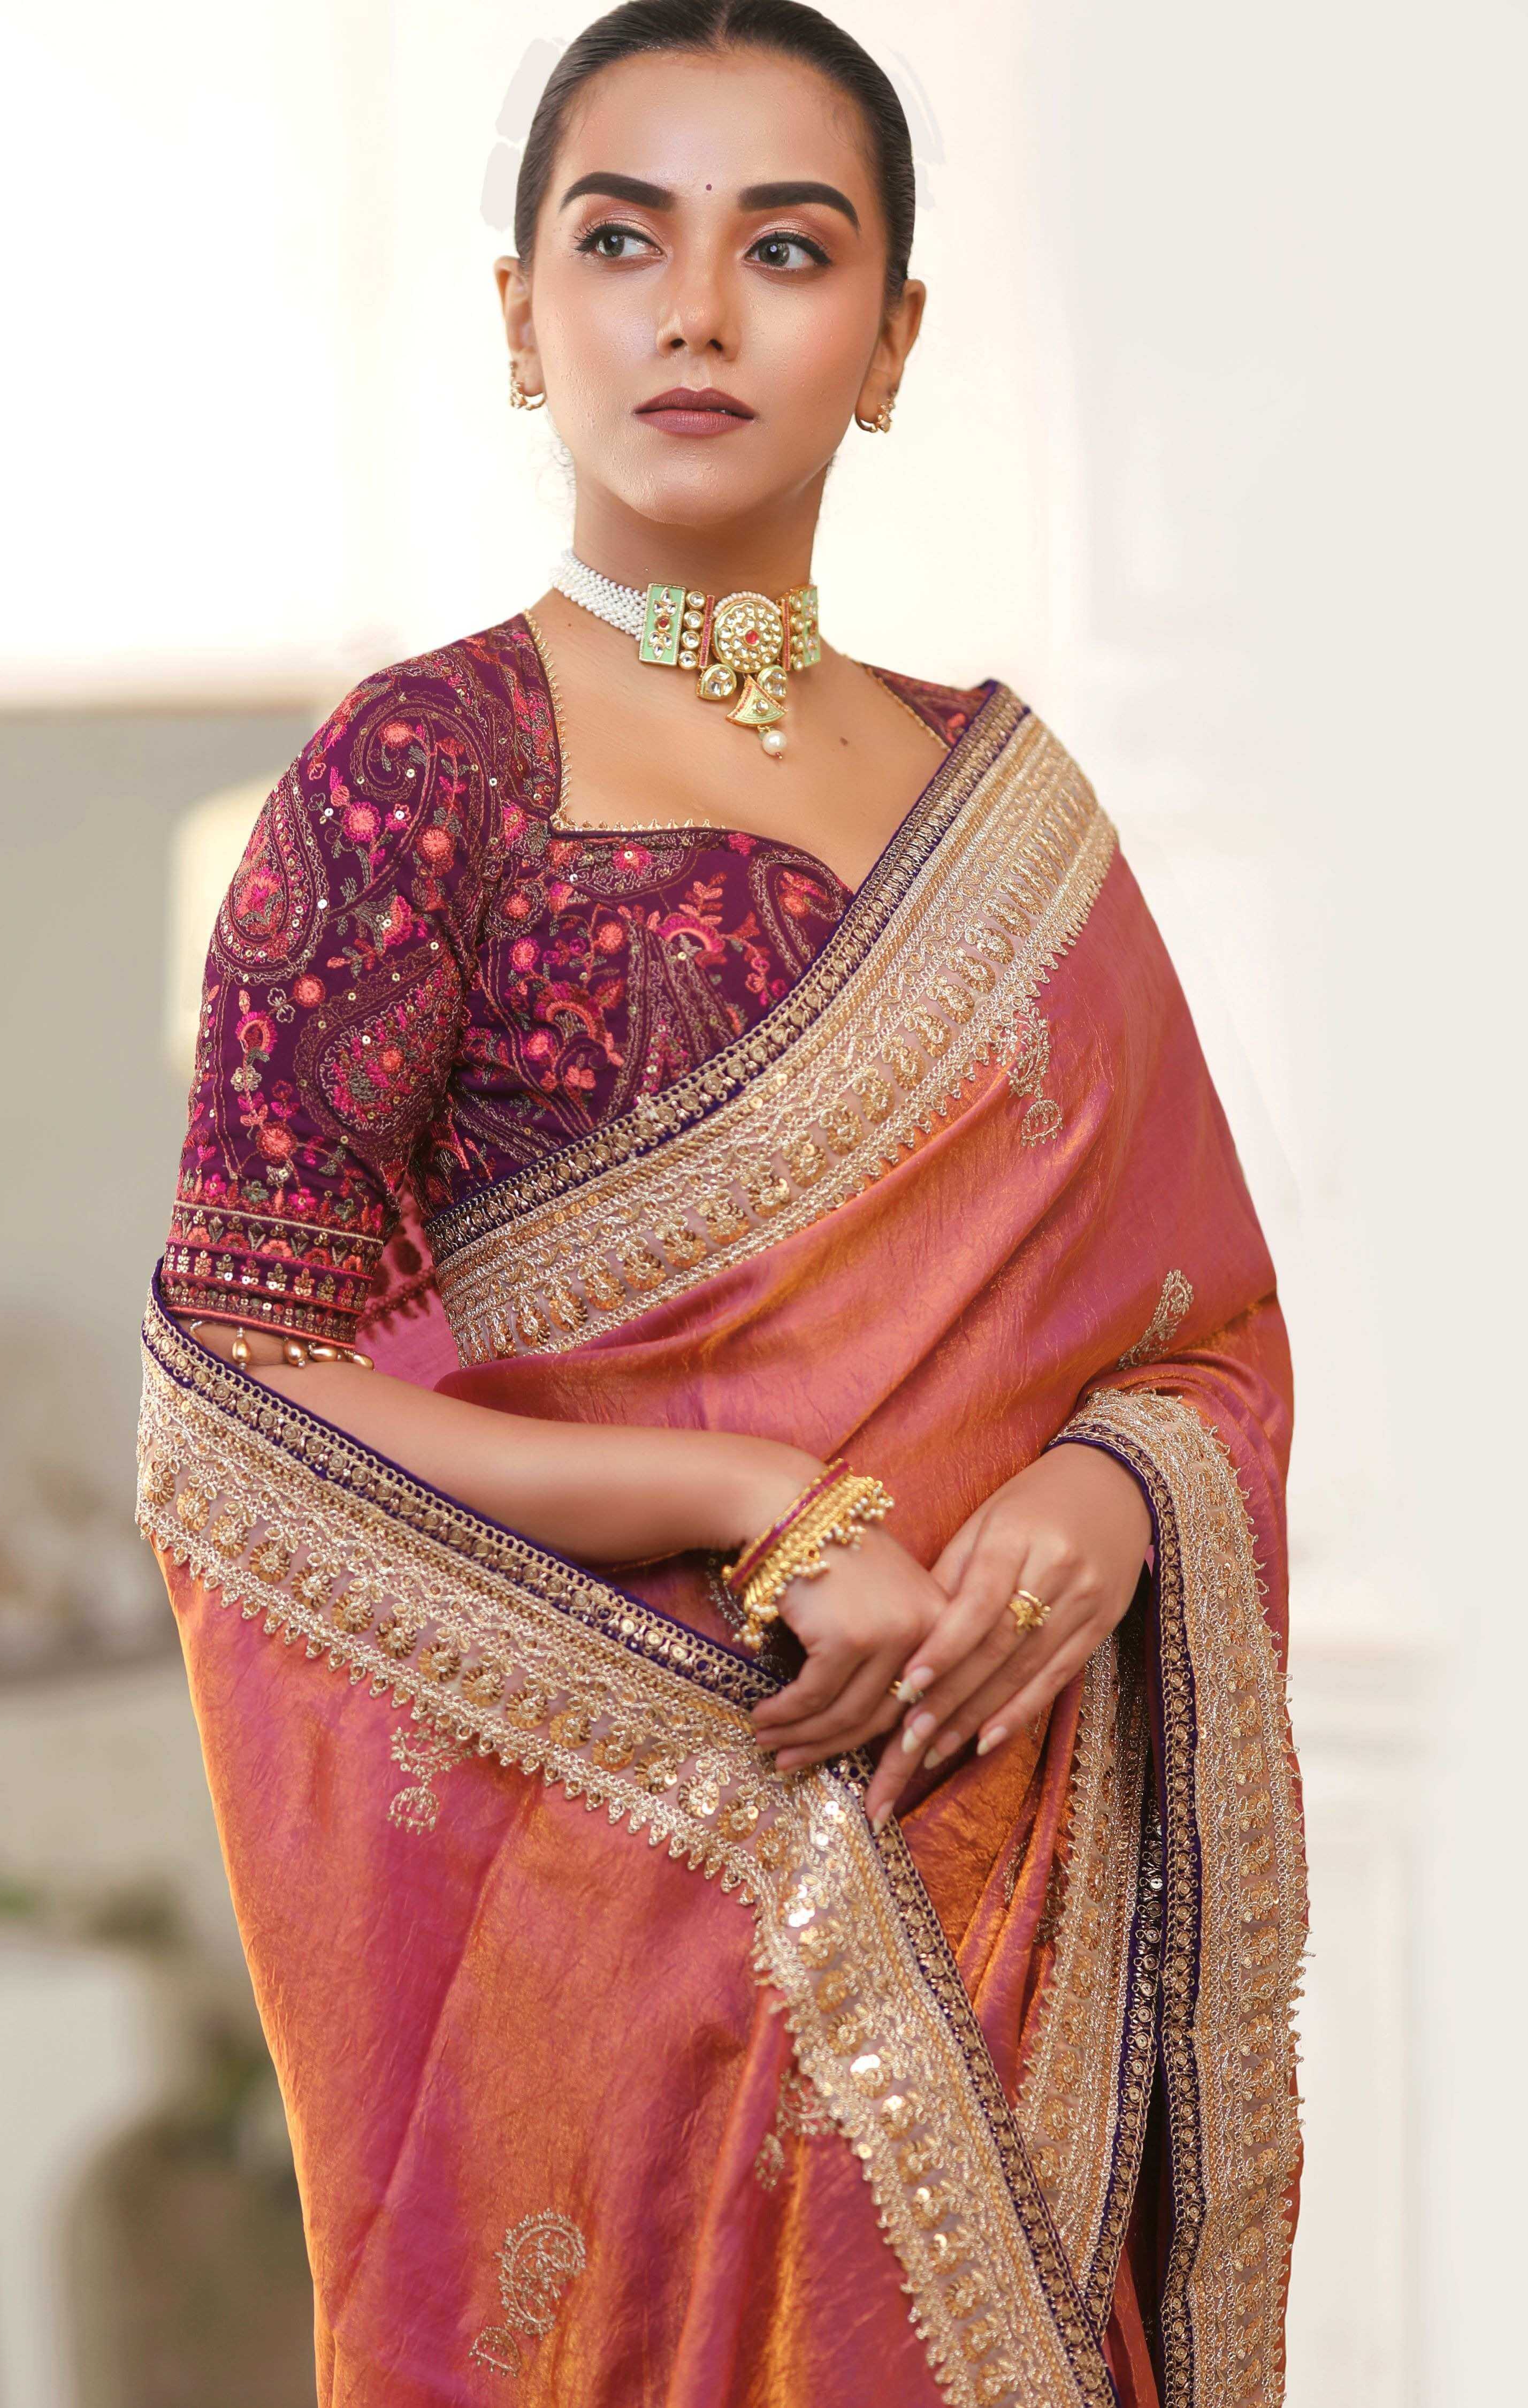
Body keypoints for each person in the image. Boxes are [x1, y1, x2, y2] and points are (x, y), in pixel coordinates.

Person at [137, 5, 1305, 2402]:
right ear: (515, 318)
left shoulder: (1009, 802)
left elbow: (1201, 1331)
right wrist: (757, 1494)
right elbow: (246, 1401)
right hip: (643, 1918)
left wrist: (1113, 1494)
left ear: (890, 342)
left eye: (785, 247)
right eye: (618, 236)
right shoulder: (419, 781)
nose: (693, 308)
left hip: (1017, 1888)